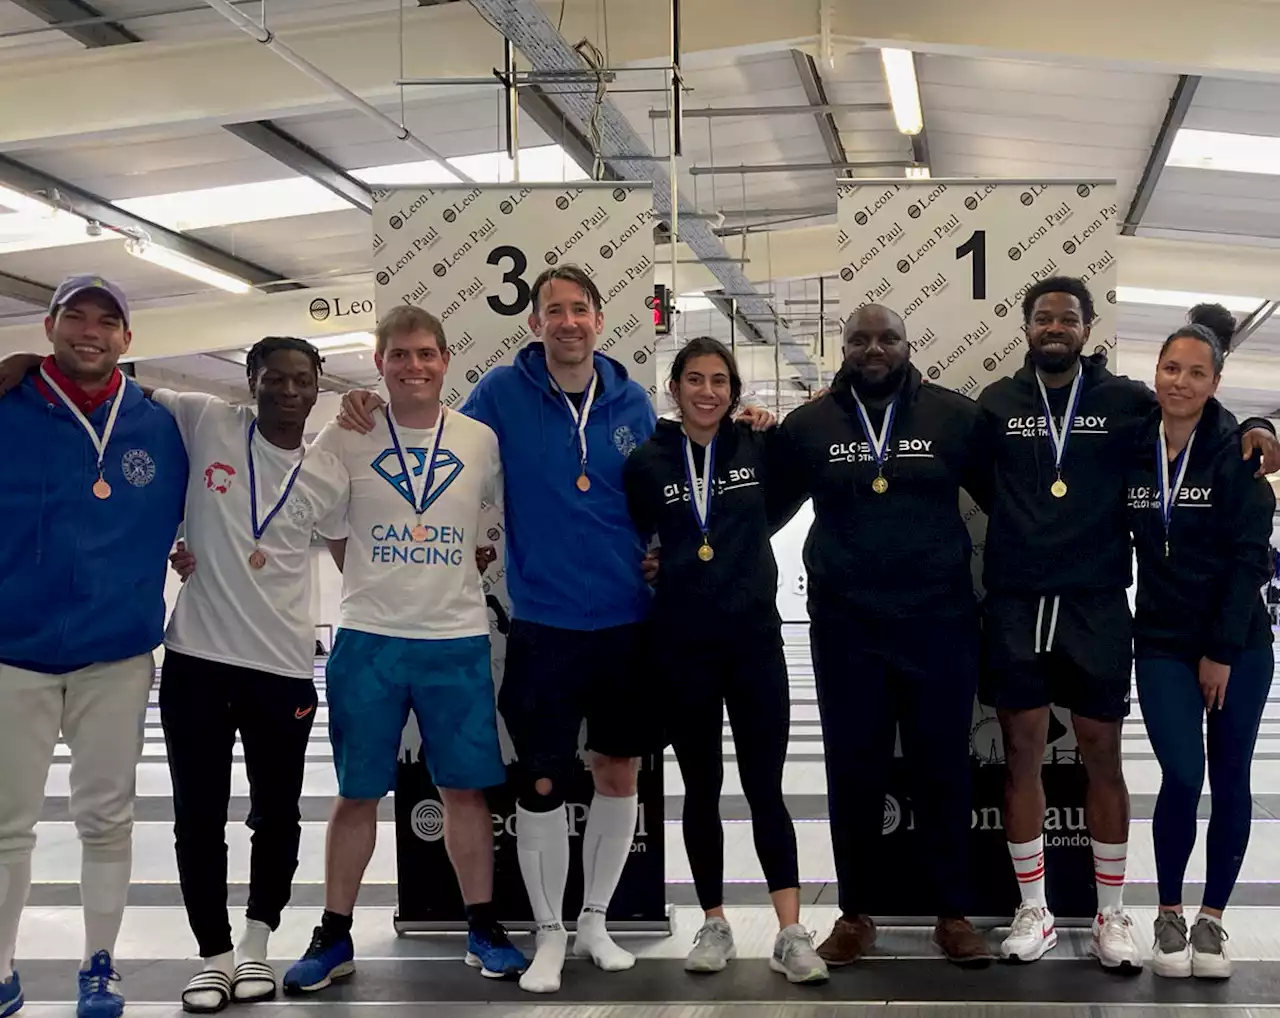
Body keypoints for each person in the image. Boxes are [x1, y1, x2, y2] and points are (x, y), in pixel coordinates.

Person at [976, 276, 1279, 970]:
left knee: (1103, 757)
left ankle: (1115, 913)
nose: (1055, 326)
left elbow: (1209, 418)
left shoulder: (1125, 404)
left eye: (1069, 317)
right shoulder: (996, 404)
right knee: (1023, 751)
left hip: (1102, 608)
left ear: (1088, 329)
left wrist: (1260, 426)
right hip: (1025, 603)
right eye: (1044, 317)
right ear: (1026, 327)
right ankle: (1035, 909)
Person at [282, 307, 526, 994]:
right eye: (398, 356)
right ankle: (333, 935)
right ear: (380, 362)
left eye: (425, 354)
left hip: (454, 639)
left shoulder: (480, 439)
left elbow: (496, 520)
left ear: (446, 360)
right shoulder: (346, 432)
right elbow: (327, 526)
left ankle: (482, 925)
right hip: (369, 640)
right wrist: (373, 579)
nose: (412, 367)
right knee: (356, 792)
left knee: (465, 791)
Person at [771, 304, 995, 968]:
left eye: (887, 338)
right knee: (853, 771)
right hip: (847, 630)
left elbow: (1013, 502)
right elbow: (755, 511)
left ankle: (953, 914)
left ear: (906, 345)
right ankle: (854, 913)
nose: (875, 349)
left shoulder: (955, 417)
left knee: (944, 771)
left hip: (941, 625)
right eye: (861, 339)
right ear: (843, 347)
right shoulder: (808, 426)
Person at [0, 276, 187, 1018]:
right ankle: (2, 966)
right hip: (12, 651)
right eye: (74, 317)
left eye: (106, 321)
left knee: (107, 818)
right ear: (47, 326)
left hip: (116, 654)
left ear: (127, 340)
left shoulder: (159, 423)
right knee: (7, 821)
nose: (89, 331)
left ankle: (99, 963)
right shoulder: (6, 405)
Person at [150, 338, 350, 1012]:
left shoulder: (326, 472)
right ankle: (214, 955)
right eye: (274, 379)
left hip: (282, 669)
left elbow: (359, 556)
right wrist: (30, 364)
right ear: (251, 380)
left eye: (301, 380)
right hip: (197, 663)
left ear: (317, 385)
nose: (288, 391)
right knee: (197, 817)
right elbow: (119, 392)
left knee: (277, 815)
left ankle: (258, 944)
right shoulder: (206, 419)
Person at [621, 336, 826, 983]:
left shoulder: (757, 446)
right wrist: (655, 560)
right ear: (675, 388)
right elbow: (631, 533)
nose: (707, 391)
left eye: (719, 380)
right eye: (694, 379)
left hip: (754, 645)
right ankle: (713, 921)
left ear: (734, 390)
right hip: (682, 649)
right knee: (701, 788)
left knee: (766, 788)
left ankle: (791, 931)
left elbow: (790, 494)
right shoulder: (650, 460)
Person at [1128, 319, 1275, 980]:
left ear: (1215, 383)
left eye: (1195, 372)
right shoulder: (1134, 444)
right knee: (1183, 775)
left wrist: (1220, 649)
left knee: (1231, 778)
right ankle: (1167, 911)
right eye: (1170, 369)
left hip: (1236, 643)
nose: (1180, 382)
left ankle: (1212, 920)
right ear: (1154, 373)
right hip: (1160, 638)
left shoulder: (1238, 452)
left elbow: (1250, 561)